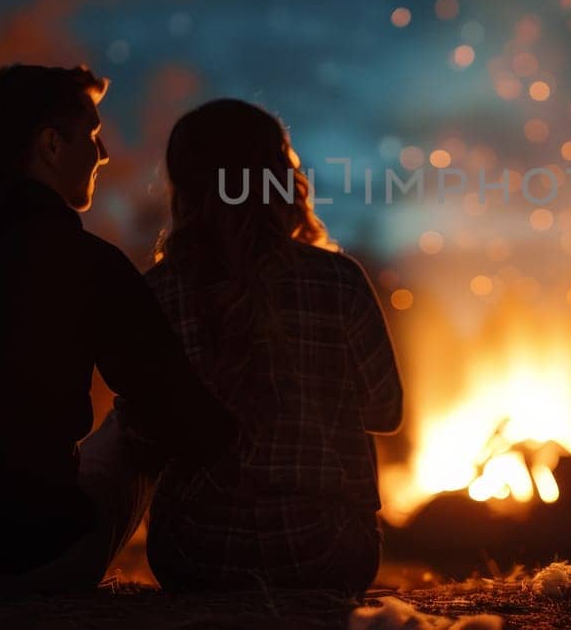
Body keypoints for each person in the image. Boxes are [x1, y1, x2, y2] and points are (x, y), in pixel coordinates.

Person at [0, 64, 235, 595]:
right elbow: (182, 416)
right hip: (28, 564)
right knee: (133, 423)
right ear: (51, 145)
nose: (103, 155)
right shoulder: (87, 264)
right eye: (93, 136)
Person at [143, 99, 403, 598]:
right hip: (329, 557)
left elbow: (145, 434)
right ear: (281, 177)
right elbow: (385, 411)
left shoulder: (158, 291)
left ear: (185, 186)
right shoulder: (339, 281)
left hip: (193, 558)